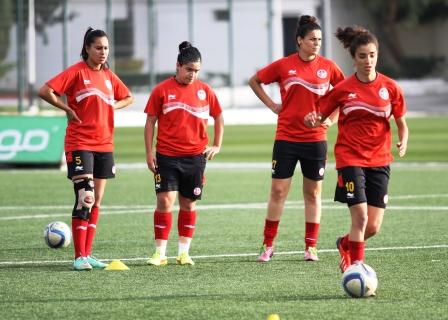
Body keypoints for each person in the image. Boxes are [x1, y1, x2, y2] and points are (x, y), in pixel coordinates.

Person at [304, 26, 408, 272]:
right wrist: (313, 119)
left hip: (380, 159)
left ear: (377, 55)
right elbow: (320, 115)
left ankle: (345, 244)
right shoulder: (342, 89)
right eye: (362, 56)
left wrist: (404, 140)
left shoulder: (391, 88)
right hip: (350, 158)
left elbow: (401, 122)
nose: (368, 61)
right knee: (360, 218)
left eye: (372, 55)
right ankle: (358, 266)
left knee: (373, 226)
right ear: (353, 59)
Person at [248, 15, 345, 262]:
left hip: (315, 139)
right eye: (312, 39)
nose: (317, 43)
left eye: (320, 39)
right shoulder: (283, 65)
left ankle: (310, 246)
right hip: (286, 138)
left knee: (313, 194)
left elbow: (345, 94)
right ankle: (268, 245)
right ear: (300, 40)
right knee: (278, 192)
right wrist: (272, 104)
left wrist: (331, 119)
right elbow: (255, 80)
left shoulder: (329, 66)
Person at [38, 27, 133, 271]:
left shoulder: (109, 76)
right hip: (80, 142)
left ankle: (88, 254)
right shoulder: (76, 72)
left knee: (97, 199)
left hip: (104, 143)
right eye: (98, 48)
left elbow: (129, 97)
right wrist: (66, 109)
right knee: (85, 197)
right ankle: (79, 257)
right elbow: (45, 90)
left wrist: (113, 105)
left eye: (106, 48)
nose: (103, 52)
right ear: (87, 49)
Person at [144, 41, 224, 266]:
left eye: (196, 71)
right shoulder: (161, 90)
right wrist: (149, 152)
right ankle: (160, 253)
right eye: (189, 69)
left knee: (188, 204)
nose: (192, 74)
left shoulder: (205, 91)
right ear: (178, 66)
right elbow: (150, 121)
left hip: (195, 158)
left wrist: (217, 145)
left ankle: (183, 252)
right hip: (167, 156)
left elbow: (219, 116)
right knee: (165, 201)